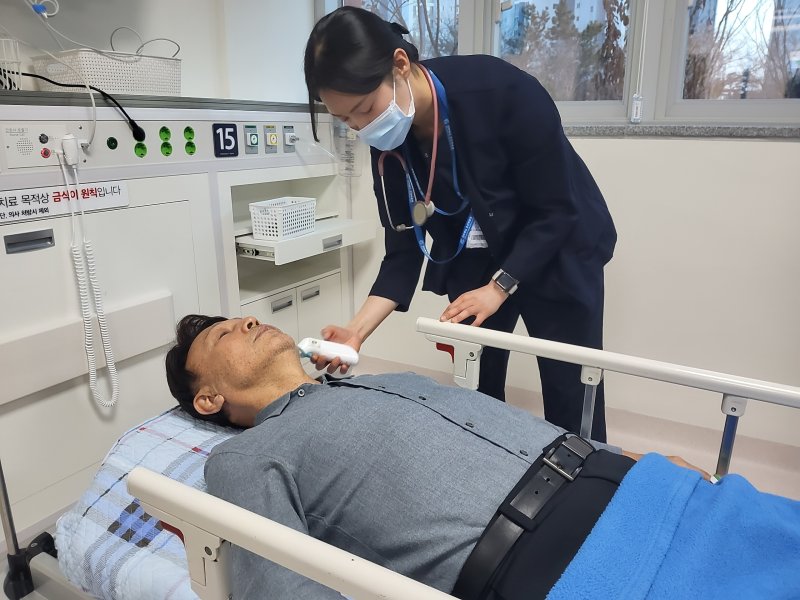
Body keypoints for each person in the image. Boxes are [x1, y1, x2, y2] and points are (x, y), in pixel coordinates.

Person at [165, 314, 800, 600]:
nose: (248, 321)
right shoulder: (246, 458)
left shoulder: (383, 380)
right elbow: (281, 588)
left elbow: (512, 428)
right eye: (224, 334)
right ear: (209, 399)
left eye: (242, 318)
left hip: (648, 491)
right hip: (570, 566)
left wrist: (630, 457)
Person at [303, 7, 617, 442]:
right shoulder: (387, 137)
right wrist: (355, 333)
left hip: (557, 244)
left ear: (399, 64)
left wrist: (500, 287)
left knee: (572, 387)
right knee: (476, 388)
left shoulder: (504, 91)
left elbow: (557, 211)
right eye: (345, 119)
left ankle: (588, 474)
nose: (361, 128)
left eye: (364, 109)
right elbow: (402, 252)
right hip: (477, 253)